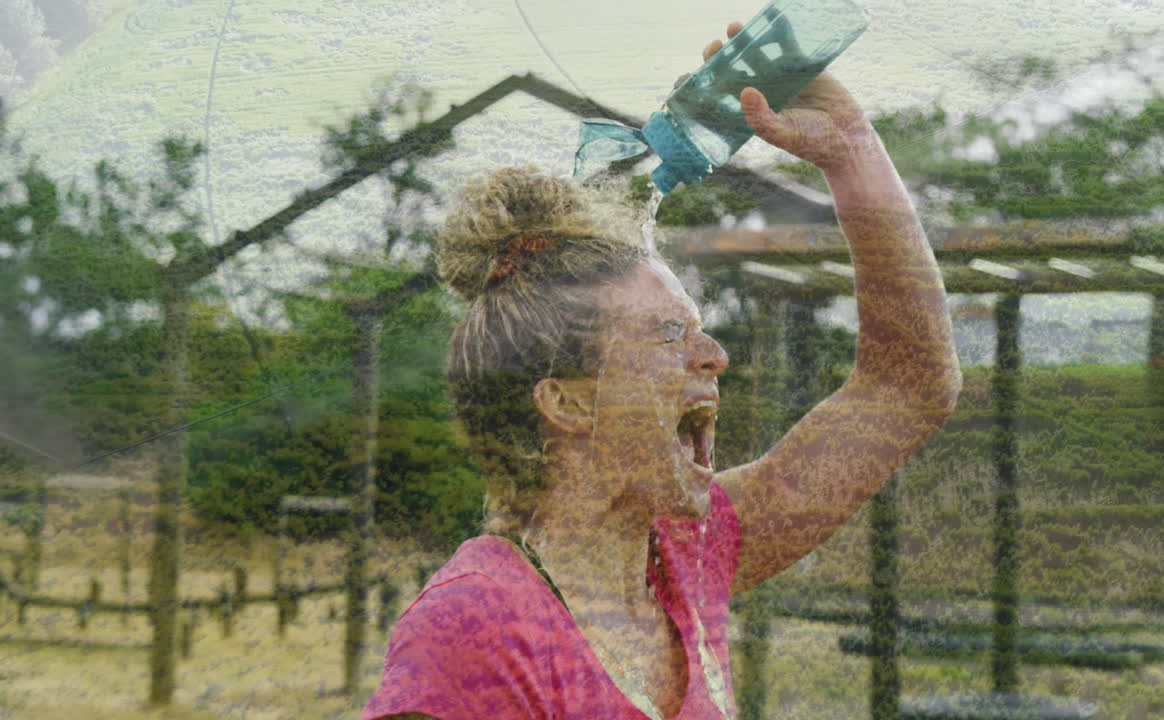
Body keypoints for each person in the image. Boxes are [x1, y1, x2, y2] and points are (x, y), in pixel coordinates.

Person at [363, 20, 961, 720]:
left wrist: (853, 152)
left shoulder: (688, 557)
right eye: (670, 334)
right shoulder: (473, 629)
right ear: (567, 402)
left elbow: (908, 385)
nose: (715, 356)